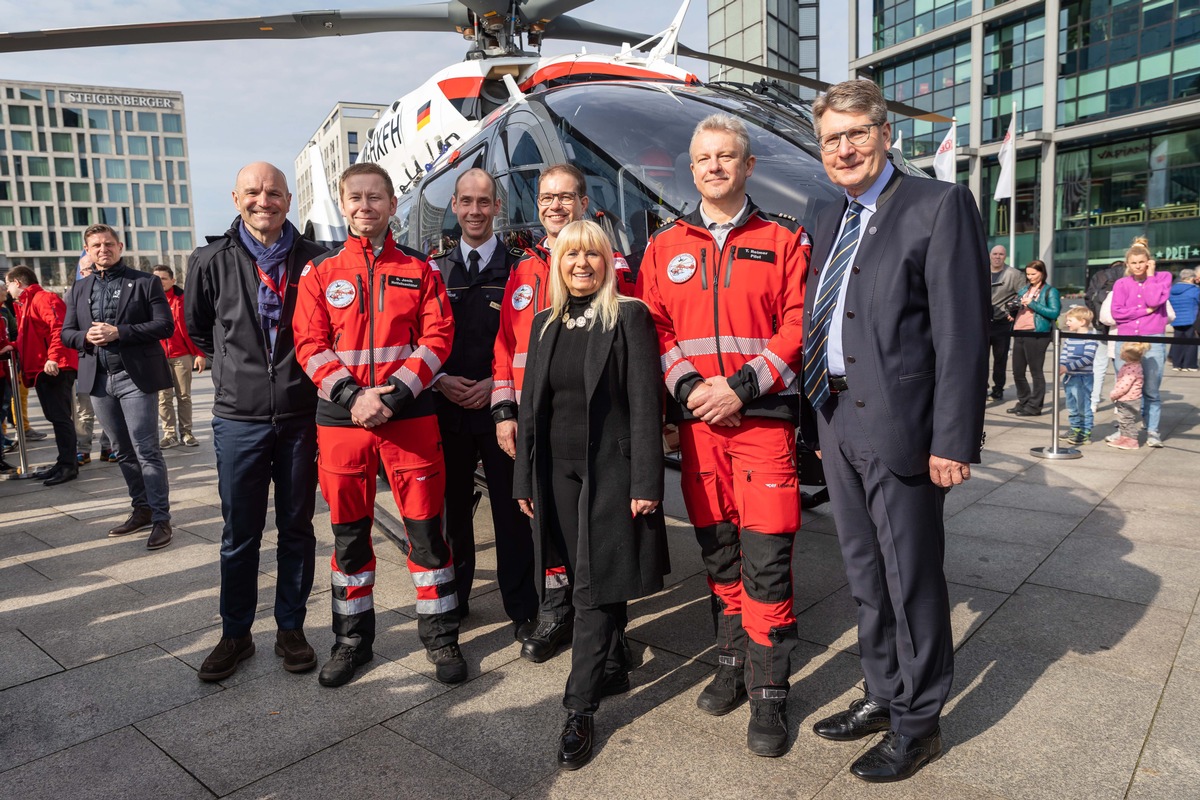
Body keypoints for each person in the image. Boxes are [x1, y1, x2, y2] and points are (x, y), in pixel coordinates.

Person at [802, 79, 988, 783]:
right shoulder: (826, 212)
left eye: (855, 134)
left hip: (904, 424)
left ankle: (920, 721)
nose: (843, 149)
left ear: (885, 135)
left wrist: (953, 438)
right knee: (863, 571)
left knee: (911, 577)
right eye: (830, 140)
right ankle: (882, 693)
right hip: (834, 412)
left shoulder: (937, 207)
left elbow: (962, 334)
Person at [640, 113, 810, 758]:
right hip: (698, 426)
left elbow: (797, 328)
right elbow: (656, 329)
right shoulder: (663, 246)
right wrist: (690, 391)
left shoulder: (785, 239)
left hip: (761, 421)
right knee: (718, 554)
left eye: (727, 157)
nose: (714, 166)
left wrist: (739, 387)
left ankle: (770, 691)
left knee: (767, 561)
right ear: (693, 169)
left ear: (748, 167)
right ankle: (730, 661)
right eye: (704, 157)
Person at [294, 162, 465, 688]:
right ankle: (351, 642)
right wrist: (351, 396)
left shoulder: (422, 269)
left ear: (393, 205)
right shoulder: (319, 272)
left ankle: (440, 637)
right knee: (348, 539)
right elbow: (308, 344)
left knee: (427, 535)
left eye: (375, 198)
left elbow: (438, 339)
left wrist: (393, 395)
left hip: (408, 417)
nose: (365, 207)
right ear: (343, 207)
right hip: (342, 423)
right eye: (355, 198)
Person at [513, 220, 669, 771]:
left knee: (589, 582)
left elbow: (648, 405)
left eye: (593, 255)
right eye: (571, 254)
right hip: (557, 469)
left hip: (612, 471)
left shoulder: (629, 317)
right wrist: (523, 480)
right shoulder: (542, 322)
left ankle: (579, 707)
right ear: (556, 263)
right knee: (591, 570)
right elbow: (531, 405)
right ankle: (613, 660)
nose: (582, 263)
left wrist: (648, 482)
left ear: (608, 262)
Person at [186, 162, 326, 681]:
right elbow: (198, 329)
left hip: (300, 417)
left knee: (296, 528)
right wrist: (233, 374)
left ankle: (291, 626)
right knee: (238, 532)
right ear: (235, 197)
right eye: (252, 191)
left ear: (289, 199)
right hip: (238, 418)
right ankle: (235, 633)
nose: (262, 200)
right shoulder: (210, 259)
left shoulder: (317, 259)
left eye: (273, 192)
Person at [492, 164, 635, 665]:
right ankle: (557, 610)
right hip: (540, 422)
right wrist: (506, 410)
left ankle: (610, 630)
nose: (554, 205)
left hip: (594, 425)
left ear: (583, 201)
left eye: (564, 197)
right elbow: (506, 346)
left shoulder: (605, 262)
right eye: (546, 197)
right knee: (549, 525)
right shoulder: (523, 269)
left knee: (599, 532)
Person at [433, 167, 538, 638]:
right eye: (466, 202)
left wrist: (494, 391)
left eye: (484, 202)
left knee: (512, 511)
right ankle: (454, 599)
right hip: (448, 406)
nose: (475, 211)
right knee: (453, 510)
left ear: (498, 208)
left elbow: (524, 338)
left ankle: (523, 607)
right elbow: (420, 336)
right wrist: (438, 379)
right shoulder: (433, 270)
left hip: (502, 410)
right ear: (454, 206)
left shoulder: (520, 268)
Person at [61, 226, 174, 547]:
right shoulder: (79, 288)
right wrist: (85, 336)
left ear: (119, 246)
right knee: (122, 451)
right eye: (96, 245)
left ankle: (162, 518)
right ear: (87, 249)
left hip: (135, 377)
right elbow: (66, 332)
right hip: (96, 378)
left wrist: (119, 332)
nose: (103, 249)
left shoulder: (144, 281)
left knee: (146, 449)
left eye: (109, 244)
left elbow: (164, 325)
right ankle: (142, 510)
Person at [6, 265, 80, 486]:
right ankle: (63, 462)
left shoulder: (43, 298)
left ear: (17, 283)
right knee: (56, 418)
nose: (8, 290)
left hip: (53, 367)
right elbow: (28, 337)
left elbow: (59, 327)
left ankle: (69, 466)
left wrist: (54, 357)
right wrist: (11, 346)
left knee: (60, 418)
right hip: (45, 368)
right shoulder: (28, 303)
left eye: (9, 284)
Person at [1109, 241, 1171, 447]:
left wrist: (1151, 276)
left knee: (1151, 390)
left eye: (1141, 262)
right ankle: (1126, 430)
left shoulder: (1162, 278)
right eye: (1133, 262)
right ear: (1127, 264)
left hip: (1153, 338)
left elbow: (1154, 300)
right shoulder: (1121, 284)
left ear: (1148, 262)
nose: (1137, 266)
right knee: (1125, 389)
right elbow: (1117, 313)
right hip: (1126, 340)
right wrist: (1143, 312)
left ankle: (1152, 430)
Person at [68, 256, 114, 465]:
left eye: (90, 268)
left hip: (110, 361)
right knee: (84, 410)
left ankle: (108, 447)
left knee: (109, 410)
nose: (87, 272)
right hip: (85, 360)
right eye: (84, 269)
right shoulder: (73, 294)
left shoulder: (109, 291)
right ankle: (83, 449)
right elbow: (66, 332)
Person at [154, 265, 204, 448]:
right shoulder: (148, 301)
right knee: (163, 397)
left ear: (172, 280)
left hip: (182, 355)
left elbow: (194, 327)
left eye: (164, 278)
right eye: (156, 279)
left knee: (184, 396)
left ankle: (187, 433)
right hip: (157, 357)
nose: (160, 282)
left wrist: (199, 353)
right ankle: (169, 434)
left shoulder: (183, 300)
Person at [1007, 260, 1061, 417]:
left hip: (1037, 333)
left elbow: (1054, 313)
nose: (1030, 277)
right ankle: (1024, 402)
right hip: (1019, 331)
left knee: (1035, 371)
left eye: (1033, 274)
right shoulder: (1024, 289)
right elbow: (1018, 308)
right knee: (1017, 371)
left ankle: (1034, 406)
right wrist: (1012, 312)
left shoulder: (1050, 291)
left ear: (1042, 273)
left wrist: (1033, 304)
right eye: (1028, 274)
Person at [1085, 259, 1127, 415]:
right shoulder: (1129, 276)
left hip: (1101, 326)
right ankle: (1119, 403)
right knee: (1120, 367)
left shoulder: (1100, 276)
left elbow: (1089, 298)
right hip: (1121, 328)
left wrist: (1097, 318)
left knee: (1099, 365)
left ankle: (1094, 402)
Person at [986, 245, 1023, 400]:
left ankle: (998, 388)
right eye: (995, 254)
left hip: (1002, 323)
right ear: (989, 255)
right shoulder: (980, 270)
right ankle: (982, 386)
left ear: (1005, 256)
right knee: (980, 358)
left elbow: (1022, 296)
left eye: (1001, 254)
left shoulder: (1014, 274)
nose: (997, 257)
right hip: (982, 322)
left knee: (1000, 358)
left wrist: (1012, 311)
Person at [1058, 306, 1098, 446]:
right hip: (1070, 377)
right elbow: (1064, 354)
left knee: (1083, 406)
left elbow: (1087, 358)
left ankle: (1085, 432)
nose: (1067, 323)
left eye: (1070, 320)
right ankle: (1075, 428)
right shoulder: (1070, 338)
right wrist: (1061, 366)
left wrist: (1067, 367)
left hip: (1083, 378)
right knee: (1071, 405)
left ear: (1082, 321)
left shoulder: (1090, 338)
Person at [1107, 342, 1148, 451]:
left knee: (1127, 421)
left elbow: (1124, 385)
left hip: (1129, 400)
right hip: (1127, 399)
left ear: (1127, 355)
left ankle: (1132, 440)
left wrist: (1114, 394)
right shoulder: (1130, 366)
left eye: (1122, 351)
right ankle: (1124, 438)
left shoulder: (1131, 369)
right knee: (1123, 420)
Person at [1168, 268, 1199, 372]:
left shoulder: (1172, 290)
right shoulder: (1195, 290)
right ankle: (1190, 365)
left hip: (1176, 320)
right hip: (1191, 319)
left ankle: (1177, 364)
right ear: (1191, 278)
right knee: (1191, 342)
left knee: (1178, 342)